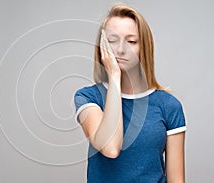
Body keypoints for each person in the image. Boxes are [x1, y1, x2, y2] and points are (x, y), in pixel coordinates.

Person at [73, 4, 186, 183]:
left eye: (131, 41)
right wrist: (114, 75)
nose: (120, 49)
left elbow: (176, 180)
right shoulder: (88, 97)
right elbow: (110, 148)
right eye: (112, 40)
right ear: (102, 46)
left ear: (144, 47)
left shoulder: (168, 105)